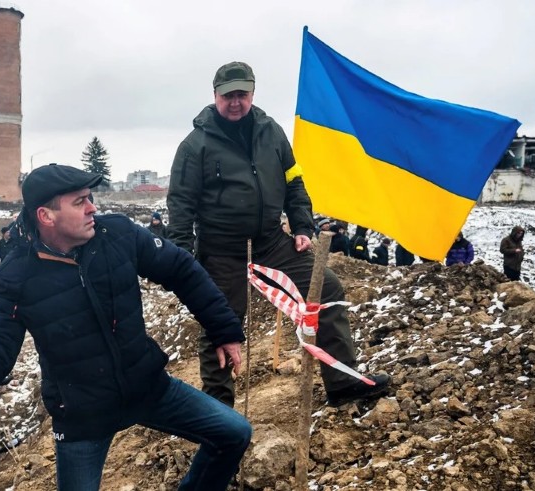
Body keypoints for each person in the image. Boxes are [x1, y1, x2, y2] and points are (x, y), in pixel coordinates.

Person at [0, 164, 252, 491]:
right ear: (46, 215)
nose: (93, 207)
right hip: (81, 416)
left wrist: (224, 328)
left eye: (90, 198)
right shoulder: (16, 277)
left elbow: (181, 269)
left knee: (234, 433)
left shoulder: (118, 235)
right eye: (80, 202)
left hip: (147, 387)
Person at [166, 61, 389, 410]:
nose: (236, 102)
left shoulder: (272, 133)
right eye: (228, 96)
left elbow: (294, 182)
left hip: (272, 242)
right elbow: (180, 205)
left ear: (253, 93)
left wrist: (302, 225)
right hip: (221, 250)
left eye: (242, 94)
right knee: (218, 324)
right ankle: (218, 412)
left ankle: (344, 382)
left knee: (326, 288)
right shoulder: (195, 146)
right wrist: (180, 257)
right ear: (215, 96)